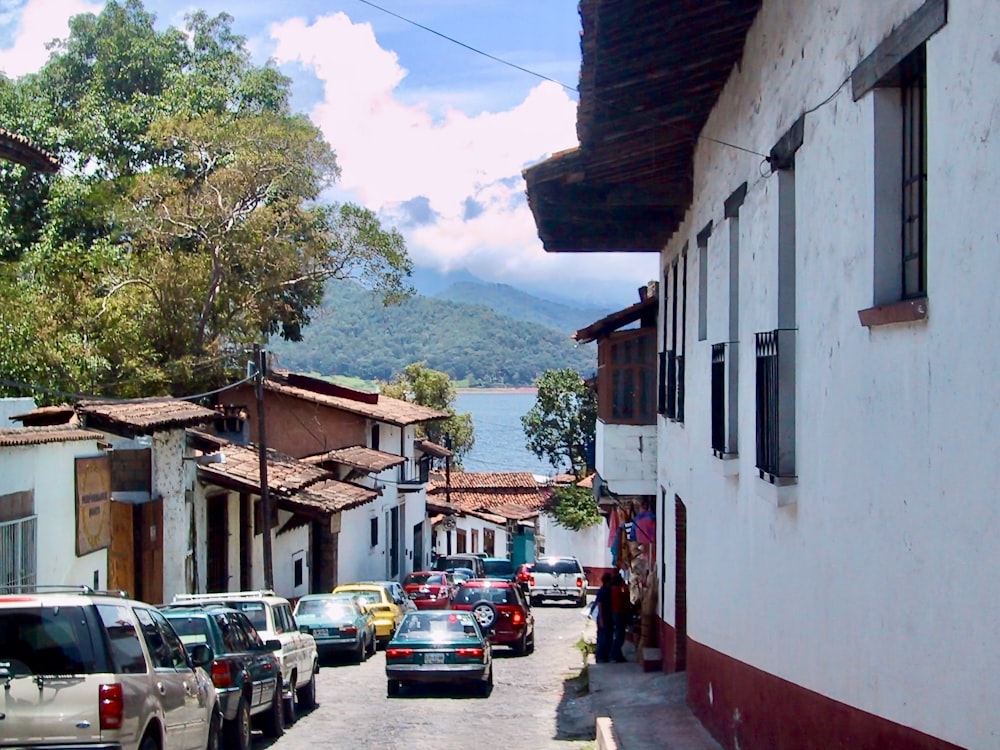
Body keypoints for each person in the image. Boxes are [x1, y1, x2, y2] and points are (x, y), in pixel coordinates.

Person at [593, 572, 614, 663]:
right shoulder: (604, 590)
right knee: (603, 637)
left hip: (607, 617)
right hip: (603, 617)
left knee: (607, 636)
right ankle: (600, 656)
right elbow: (600, 604)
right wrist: (601, 619)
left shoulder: (607, 590)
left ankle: (604, 655)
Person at [610, 571, 630, 662]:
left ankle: (617, 654)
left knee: (618, 635)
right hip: (620, 613)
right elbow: (625, 596)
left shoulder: (613, 589)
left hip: (616, 613)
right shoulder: (619, 589)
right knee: (620, 636)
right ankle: (615, 654)